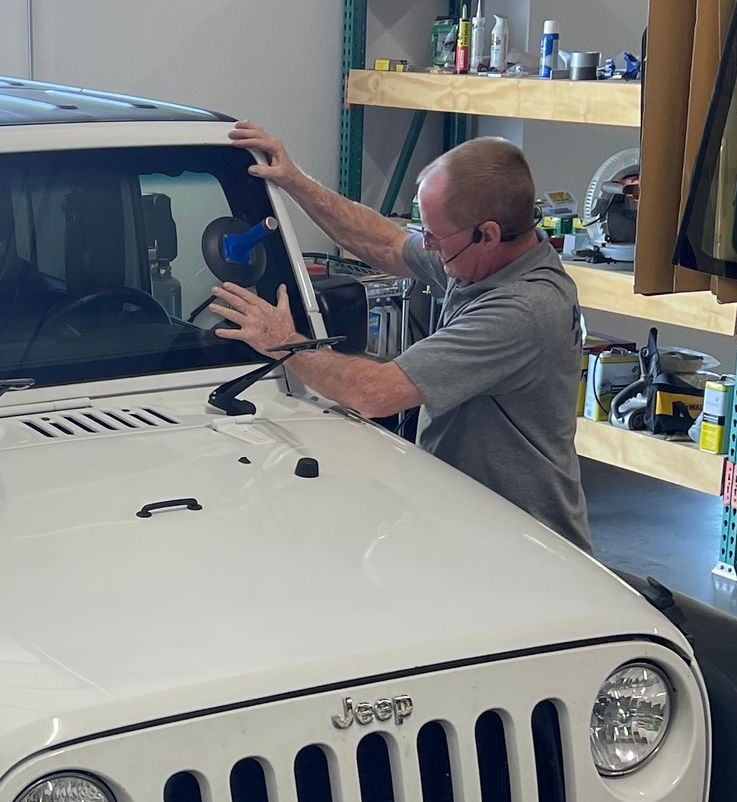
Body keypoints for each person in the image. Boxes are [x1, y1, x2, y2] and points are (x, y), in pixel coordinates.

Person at [213, 126, 590, 549]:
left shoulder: (522, 310)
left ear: (487, 233)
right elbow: (386, 243)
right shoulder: (483, 261)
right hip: (468, 515)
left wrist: (283, 342)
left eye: (434, 235)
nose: (426, 245)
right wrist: (294, 180)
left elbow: (376, 393)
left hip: (525, 541)